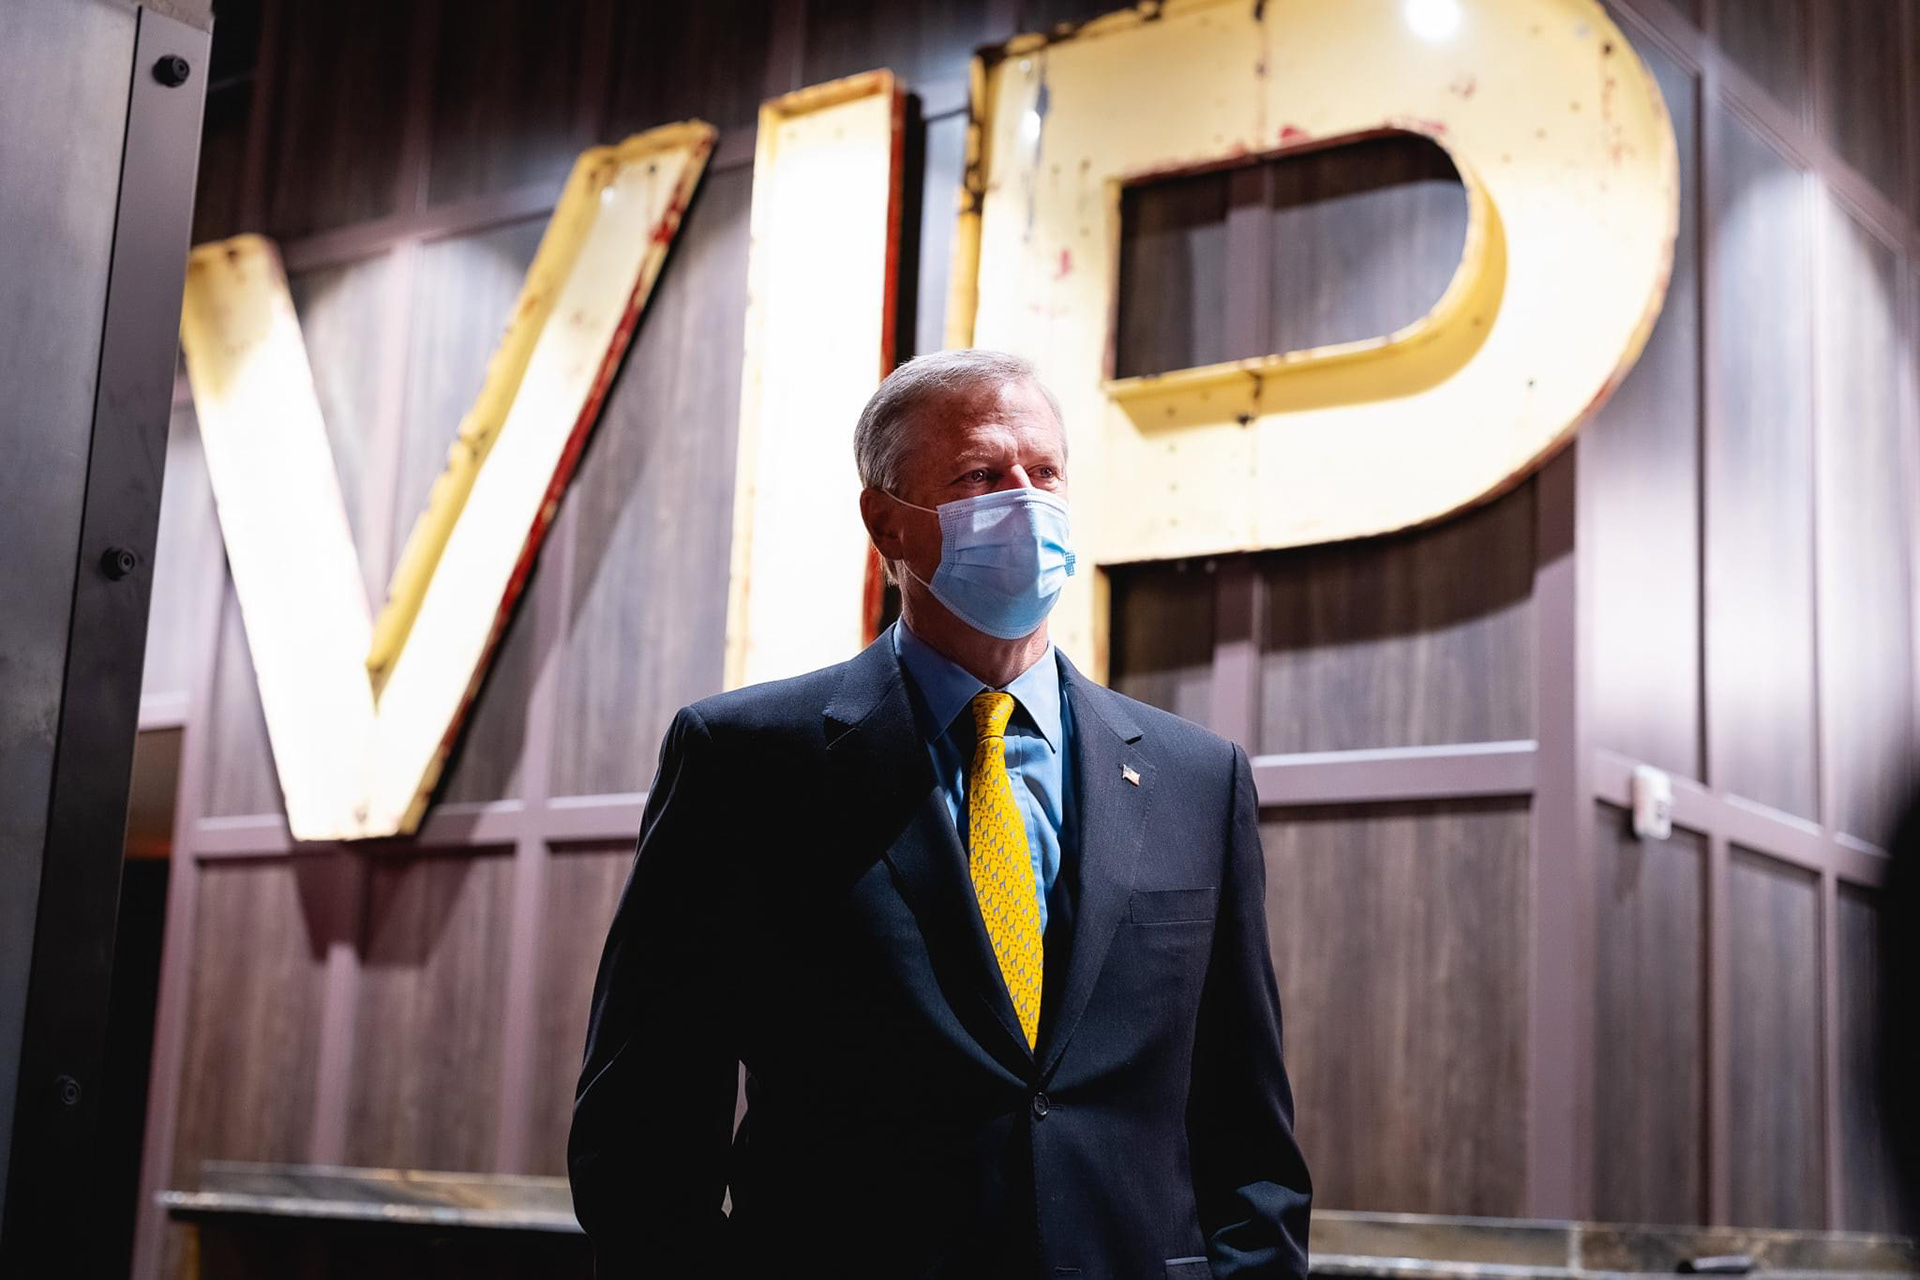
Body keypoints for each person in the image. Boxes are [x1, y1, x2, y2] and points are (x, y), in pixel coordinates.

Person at [567, 349, 1312, 1278]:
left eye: (1045, 473)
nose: (1026, 500)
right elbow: (644, 1128)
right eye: (980, 476)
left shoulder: (1197, 778)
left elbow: (1249, 1132)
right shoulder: (747, 763)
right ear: (889, 525)